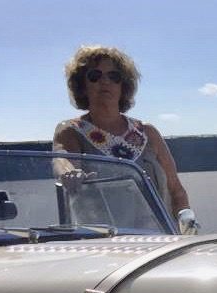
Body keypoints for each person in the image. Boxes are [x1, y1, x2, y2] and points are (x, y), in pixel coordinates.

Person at [53, 45, 199, 233]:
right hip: (106, 244)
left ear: (123, 86)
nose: (105, 82)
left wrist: (186, 218)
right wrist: (68, 172)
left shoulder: (147, 132)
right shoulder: (71, 131)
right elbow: (62, 157)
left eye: (114, 77)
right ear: (82, 84)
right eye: (95, 76)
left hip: (158, 240)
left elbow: (176, 190)